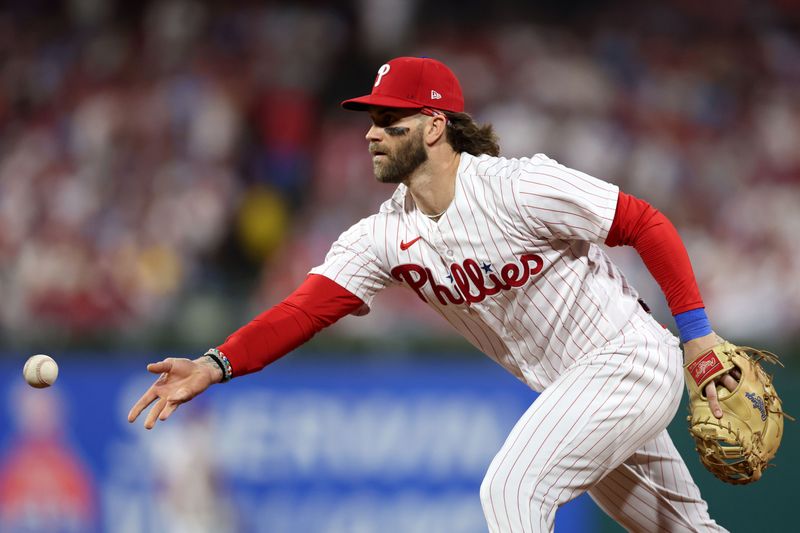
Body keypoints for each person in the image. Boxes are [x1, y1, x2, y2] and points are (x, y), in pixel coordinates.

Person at [129, 56, 734, 532]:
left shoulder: (517, 187)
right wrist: (215, 364)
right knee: (683, 528)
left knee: (512, 488)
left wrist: (698, 335)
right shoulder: (385, 235)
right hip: (572, 392)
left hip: (627, 359)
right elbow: (303, 310)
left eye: (390, 121)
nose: (371, 133)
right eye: (370, 120)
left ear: (436, 125)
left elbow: (645, 223)